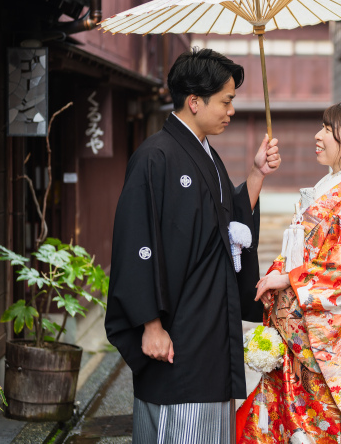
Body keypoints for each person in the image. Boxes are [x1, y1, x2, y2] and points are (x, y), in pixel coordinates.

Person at [105, 48, 280, 444]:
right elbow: (136, 241)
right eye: (227, 100)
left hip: (209, 325)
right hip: (177, 329)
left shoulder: (206, 155)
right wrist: (150, 324)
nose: (231, 109)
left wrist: (257, 173)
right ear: (194, 101)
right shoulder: (154, 157)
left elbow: (225, 222)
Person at [239, 97, 341, 444]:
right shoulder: (327, 190)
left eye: (328, 131)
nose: (318, 136)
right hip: (300, 327)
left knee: (323, 427)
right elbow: (297, 251)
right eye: (322, 127)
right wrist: (279, 275)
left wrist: (287, 278)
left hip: (331, 335)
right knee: (293, 422)